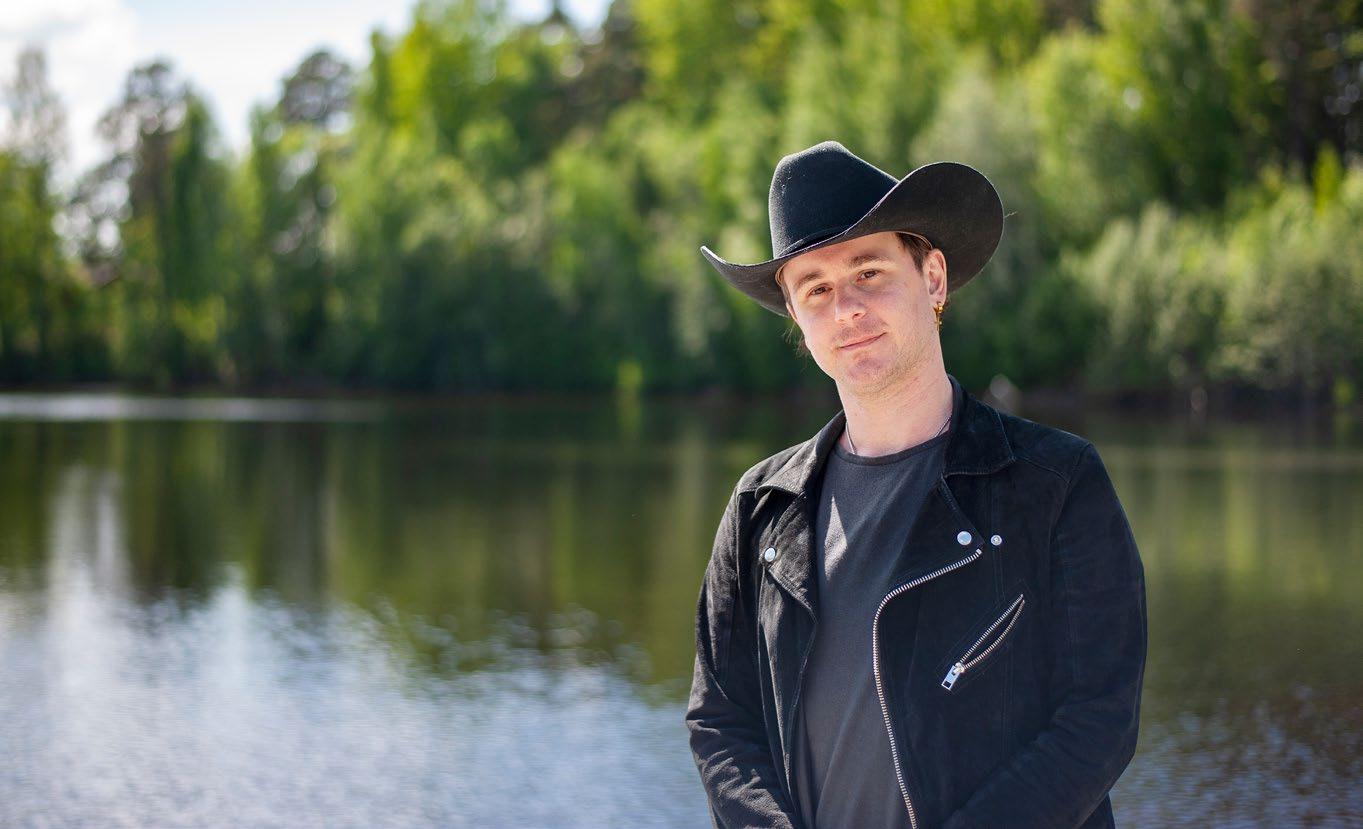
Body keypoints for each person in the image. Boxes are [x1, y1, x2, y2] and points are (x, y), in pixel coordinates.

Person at [685, 140, 1148, 829]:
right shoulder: (760, 509)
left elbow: (1098, 720)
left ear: (932, 279)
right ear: (796, 318)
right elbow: (720, 723)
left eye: (868, 272)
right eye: (815, 289)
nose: (845, 308)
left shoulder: (1055, 484)